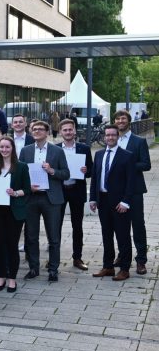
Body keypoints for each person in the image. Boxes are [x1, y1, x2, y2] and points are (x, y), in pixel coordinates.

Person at [18, 120, 69, 282]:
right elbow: (20, 174)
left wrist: (52, 170)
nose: (37, 131)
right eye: (34, 129)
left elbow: (66, 174)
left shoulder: (57, 151)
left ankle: (53, 269)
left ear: (47, 132)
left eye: (41, 129)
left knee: (53, 236)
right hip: (32, 197)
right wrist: (27, 186)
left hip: (51, 198)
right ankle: (33, 267)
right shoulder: (25, 151)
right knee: (31, 236)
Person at [90, 125, 136, 281]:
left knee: (123, 236)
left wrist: (126, 202)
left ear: (118, 136)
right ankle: (108, 266)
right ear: (104, 137)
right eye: (107, 135)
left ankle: (124, 269)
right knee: (106, 235)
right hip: (102, 200)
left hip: (120, 202)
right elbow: (95, 178)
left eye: (113, 135)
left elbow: (131, 182)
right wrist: (93, 198)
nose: (110, 137)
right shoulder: (99, 154)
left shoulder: (127, 156)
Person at [0, 137, 32, 293]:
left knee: (12, 245)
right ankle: (1, 277)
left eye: (7, 147)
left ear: (12, 148)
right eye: (2, 147)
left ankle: (12, 279)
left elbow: (27, 189)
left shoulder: (21, 167)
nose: (4, 150)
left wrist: (15, 193)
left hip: (14, 211)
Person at [114, 109, 151, 275]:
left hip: (135, 189)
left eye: (123, 118)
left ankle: (141, 260)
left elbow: (146, 164)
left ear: (129, 121)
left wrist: (127, 166)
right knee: (120, 226)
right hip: (117, 190)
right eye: (118, 119)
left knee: (137, 225)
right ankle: (122, 255)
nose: (120, 121)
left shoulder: (139, 141)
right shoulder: (112, 140)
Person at [57, 119, 93, 271]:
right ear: (60, 132)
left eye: (70, 129)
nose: (68, 132)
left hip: (77, 190)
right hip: (60, 190)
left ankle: (77, 258)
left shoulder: (84, 148)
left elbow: (91, 171)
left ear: (74, 131)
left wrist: (86, 171)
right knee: (55, 226)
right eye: (65, 130)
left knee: (77, 226)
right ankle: (54, 258)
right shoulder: (55, 148)